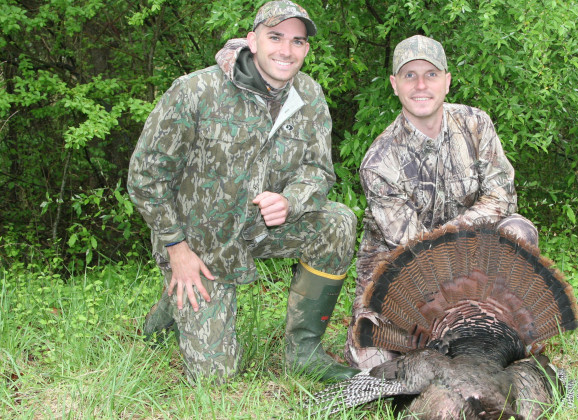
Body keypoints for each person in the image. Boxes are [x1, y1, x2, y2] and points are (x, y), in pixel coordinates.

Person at [127, 0, 359, 384]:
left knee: (338, 222)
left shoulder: (310, 97)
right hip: (201, 245)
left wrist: (291, 201)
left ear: (306, 49)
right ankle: (173, 303)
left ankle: (304, 352)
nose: (287, 50)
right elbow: (144, 178)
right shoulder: (195, 91)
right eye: (275, 37)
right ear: (252, 40)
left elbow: (318, 171)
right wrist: (177, 249)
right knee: (215, 378)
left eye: (298, 41)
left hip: (263, 229)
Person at [345, 35, 540, 369]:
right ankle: (457, 338)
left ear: (447, 81)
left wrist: (457, 234)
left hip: (471, 261)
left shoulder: (476, 125)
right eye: (409, 75)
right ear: (394, 85)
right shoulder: (379, 162)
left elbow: (503, 196)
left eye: (431, 74)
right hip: (399, 278)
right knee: (374, 364)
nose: (421, 85)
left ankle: (502, 333)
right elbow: (415, 255)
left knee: (518, 230)